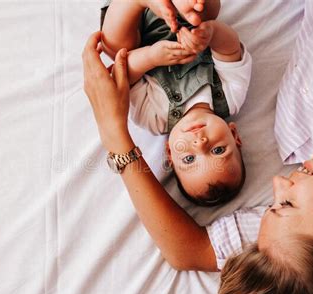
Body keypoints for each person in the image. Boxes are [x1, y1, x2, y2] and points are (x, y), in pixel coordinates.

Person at [82, 0, 313, 294]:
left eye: (274, 205)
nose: (277, 182)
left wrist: (114, 134)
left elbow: (187, 251)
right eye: (286, 204)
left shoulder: (302, 150)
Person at [100, 0, 252, 206]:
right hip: (185, 17)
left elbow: (125, 73)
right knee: (209, 10)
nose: (200, 143)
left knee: (117, 49)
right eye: (218, 150)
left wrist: (152, 57)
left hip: (138, 24)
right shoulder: (231, 97)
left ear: (170, 152)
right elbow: (231, 50)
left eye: (189, 159)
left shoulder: (154, 119)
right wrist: (211, 34)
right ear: (234, 135)